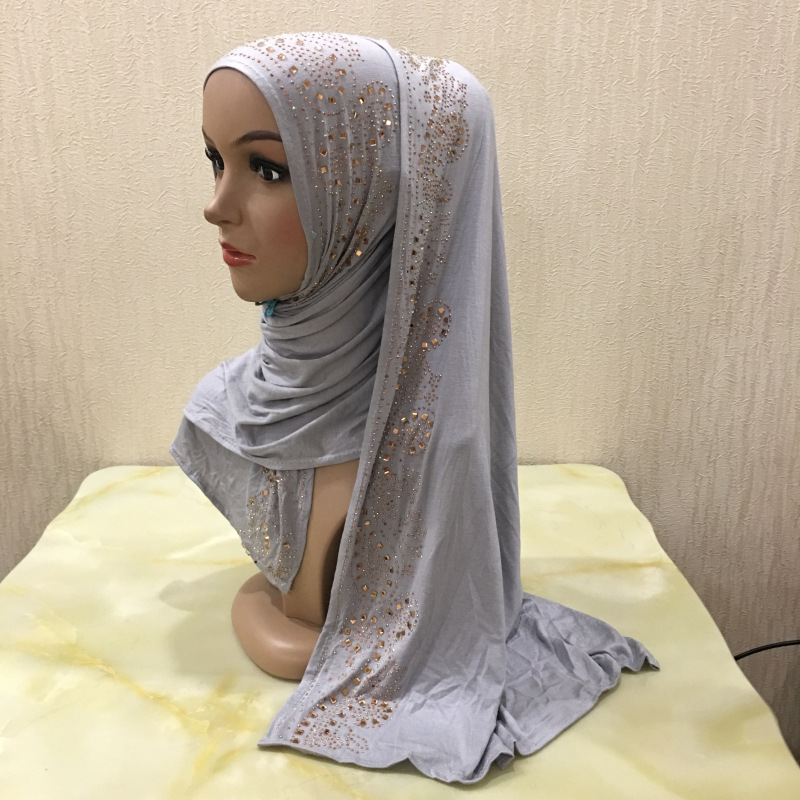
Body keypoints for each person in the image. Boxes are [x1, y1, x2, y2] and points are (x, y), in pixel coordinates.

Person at [171, 32, 656, 784]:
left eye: (268, 169)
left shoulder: (427, 447)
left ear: (372, 202)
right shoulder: (220, 409)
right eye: (215, 160)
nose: (216, 206)